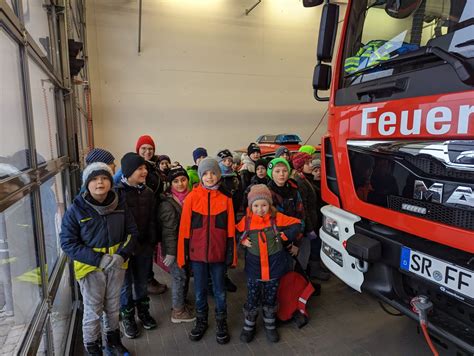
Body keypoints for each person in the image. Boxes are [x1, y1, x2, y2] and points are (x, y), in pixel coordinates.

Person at [60, 162, 137, 355]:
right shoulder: (76, 209)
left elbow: (133, 233)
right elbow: (68, 243)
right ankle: (93, 349)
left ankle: (113, 342)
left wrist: (122, 255)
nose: (99, 182)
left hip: (117, 265)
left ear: (111, 182)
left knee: (113, 307)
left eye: (104, 178)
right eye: (94, 179)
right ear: (86, 184)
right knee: (93, 312)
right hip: (90, 268)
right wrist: (98, 260)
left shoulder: (120, 204)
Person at [177, 157, 237, 344]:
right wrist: (183, 256)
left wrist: (231, 255)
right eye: (205, 174)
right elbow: (184, 230)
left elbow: (230, 231)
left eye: (213, 173)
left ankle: (221, 322)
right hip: (197, 255)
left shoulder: (226, 199)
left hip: (218, 255)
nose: (209, 177)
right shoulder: (191, 199)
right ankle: (201, 321)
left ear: (218, 175)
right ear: (200, 176)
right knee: (200, 291)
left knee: (219, 291)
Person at [237, 184, 303, 343]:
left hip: (274, 269)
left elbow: (297, 224)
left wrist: (285, 235)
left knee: (271, 297)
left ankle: (270, 324)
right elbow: (234, 232)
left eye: (264, 205)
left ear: (270, 204)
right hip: (255, 270)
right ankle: (249, 326)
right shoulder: (247, 221)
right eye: (256, 205)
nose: (260, 209)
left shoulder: (277, 218)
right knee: (252, 297)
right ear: (251, 206)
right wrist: (242, 240)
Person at [117, 153, 158, 339]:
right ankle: (128, 317)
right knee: (125, 285)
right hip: (125, 249)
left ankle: (143, 312)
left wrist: (151, 240)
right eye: (140, 168)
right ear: (128, 171)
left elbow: (152, 220)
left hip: (143, 247)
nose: (144, 171)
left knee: (141, 282)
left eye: (145, 168)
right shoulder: (118, 193)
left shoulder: (148, 192)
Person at [158, 166, 196, 323]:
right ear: (170, 184)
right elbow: (169, 232)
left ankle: (181, 303)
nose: (180, 184)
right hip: (175, 249)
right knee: (179, 277)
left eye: (183, 179)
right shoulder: (168, 204)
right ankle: (178, 312)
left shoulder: (190, 197)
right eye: (175, 181)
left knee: (185, 276)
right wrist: (171, 252)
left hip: (187, 247)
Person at [292, 152, 329, 280]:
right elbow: (304, 208)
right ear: (300, 166)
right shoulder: (301, 182)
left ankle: (316, 266)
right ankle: (314, 270)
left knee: (316, 245)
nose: (310, 165)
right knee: (313, 246)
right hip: (309, 223)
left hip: (314, 219)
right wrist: (309, 227)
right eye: (307, 163)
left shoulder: (305, 179)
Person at [266, 158, 305, 268]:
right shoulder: (266, 194)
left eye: (284, 171)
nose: (281, 174)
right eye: (277, 171)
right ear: (271, 173)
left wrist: (297, 243)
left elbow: (301, 216)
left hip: (293, 238)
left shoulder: (294, 191)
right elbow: (266, 221)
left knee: (290, 269)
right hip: (274, 242)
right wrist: (285, 244)